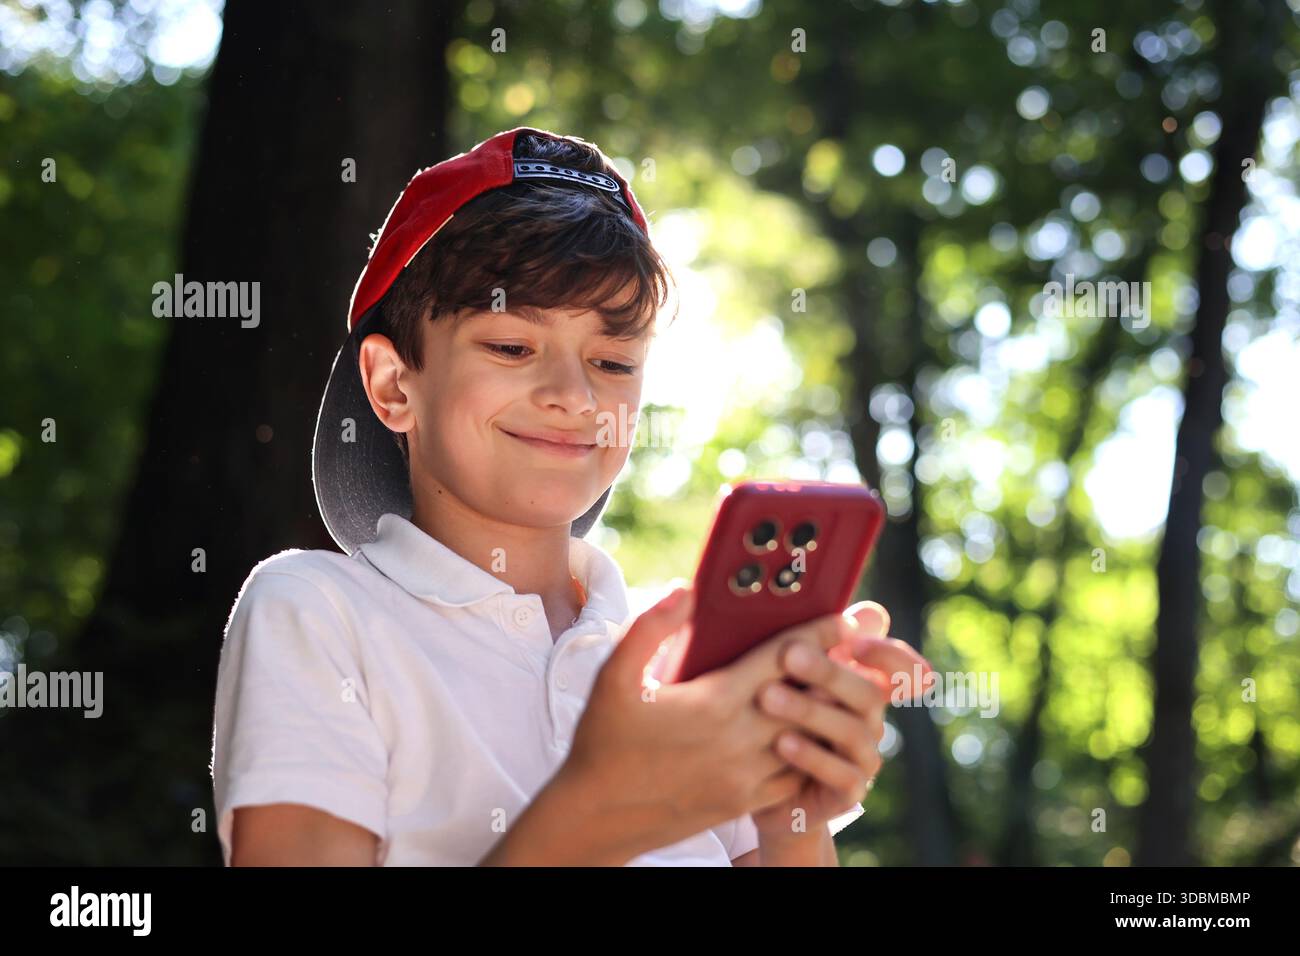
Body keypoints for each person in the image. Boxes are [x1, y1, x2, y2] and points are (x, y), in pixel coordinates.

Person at [209, 126, 931, 866]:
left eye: (614, 361)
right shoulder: (317, 611)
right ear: (396, 385)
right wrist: (602, 808)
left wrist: (789, 824)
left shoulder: (686, 673)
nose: (573, 396)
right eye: (512, 347)